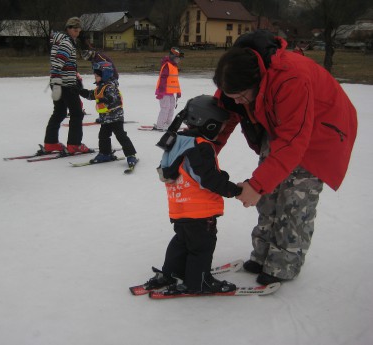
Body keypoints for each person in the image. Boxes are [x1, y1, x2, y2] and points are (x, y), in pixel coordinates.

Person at [212, 30, 357, 285]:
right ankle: (263, 253)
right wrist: (201, 152)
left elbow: (293, 141)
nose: (237, 102)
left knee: (294, 199)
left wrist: (256, 185)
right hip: (281, 124)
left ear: (257, 81)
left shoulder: (290, 77)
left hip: (321, 133)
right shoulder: (235, 76)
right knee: (269, 194)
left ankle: (284, 263)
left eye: (241, 96)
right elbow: (223, 117)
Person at [143, 95, 242, 296]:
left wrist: (219, 175)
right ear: (208, 124)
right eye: (221, 125)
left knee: (182, 241)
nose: (223, 129)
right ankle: (199, 281)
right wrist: (233, 189)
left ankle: (171, 272)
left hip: (180, 207)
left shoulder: (177, 140)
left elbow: (183, 171)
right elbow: (207, 178)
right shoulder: (201, 146)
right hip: (200, 211)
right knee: (201, 247)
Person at [43, 17, 91, 154]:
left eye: (79, 30)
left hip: (58, 83)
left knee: (59, 112)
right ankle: (74, 144)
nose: (77, 32)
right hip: (65, 85)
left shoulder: (60, 40)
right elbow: (58, 63)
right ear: (68, 28)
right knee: (76, 113)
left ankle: (50, 142)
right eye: (74, 29)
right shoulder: (66, 42)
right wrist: (58, 83)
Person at [79, 61, 138, 167]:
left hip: (116, 117)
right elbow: (91, 95)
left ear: (105, 75)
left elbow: (114, 99)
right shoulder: (100, 87)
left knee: (121, 136)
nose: (95, 77)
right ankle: (105, 153)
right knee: (103, 136)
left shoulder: (110, 87)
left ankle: (131, 155)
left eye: (97, 75)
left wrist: (106, 99)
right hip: (105, 119)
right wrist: (80, 91)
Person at [153, 47, 184, 131]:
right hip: (164, 91)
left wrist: (178, 92)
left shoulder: (174, 66)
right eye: (177, 58)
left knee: (171, 108)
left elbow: (175, 81)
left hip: (171, 92)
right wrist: (161, 91)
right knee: (165, 108)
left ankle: (168, 124)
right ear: (172, 57)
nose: (178, 60)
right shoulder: (167, 65)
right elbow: (162, 78)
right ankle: (160, 125)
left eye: (179, 59)